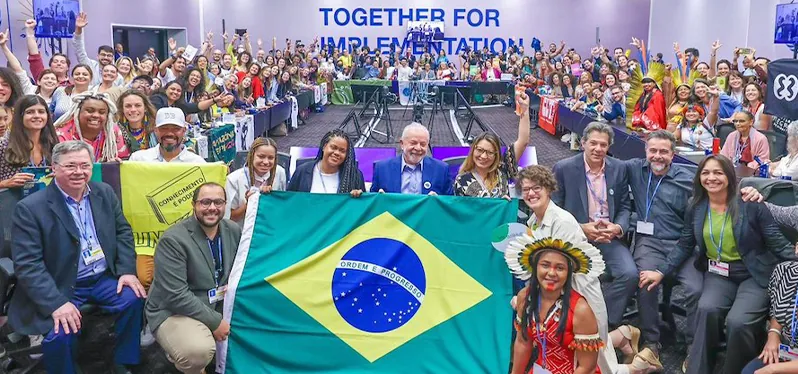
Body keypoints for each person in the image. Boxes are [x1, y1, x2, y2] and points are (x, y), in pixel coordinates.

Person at [639, 154, 795, 374]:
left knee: (738, 322)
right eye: (706, 173)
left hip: (753, 274)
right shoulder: (696, 206)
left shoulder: (750, 204)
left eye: (718, 172)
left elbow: (777, 242)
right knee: (706, 309)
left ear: (730, 177)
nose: (711, 178)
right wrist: (661, 272)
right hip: (718, 272)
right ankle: (698, 369)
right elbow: (685, 244)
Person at [10, 141, 145, 374]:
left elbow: (123, 231)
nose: (79, 172)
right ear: (54, 167)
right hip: (60, 283)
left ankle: (124, 360)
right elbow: (27, 265)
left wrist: (126, 271)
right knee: (60, 334)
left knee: (134, 298)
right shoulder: (30, 208)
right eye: (70, 166)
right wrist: (56, 303)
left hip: (101, 278)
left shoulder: (104, 192)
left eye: (85, 165)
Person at [509, 165, 657, 374]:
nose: (531, 193)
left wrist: (529, 297)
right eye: (526, 189)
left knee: (594, 362)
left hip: (577, 293)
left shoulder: (562, 221)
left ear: (549, 189)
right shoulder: (534, 220)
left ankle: (640, 367)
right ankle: (624, 336)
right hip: (555, 293)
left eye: (537, 187)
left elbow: (556, 271)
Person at [624, 130, 702, 368]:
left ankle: (693, 346)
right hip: (650, 242)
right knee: (646, 281)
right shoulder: (635, 170)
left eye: (663, 152)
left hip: (682, 244)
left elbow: (721, 191)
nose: (657, 156)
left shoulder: (689, 180)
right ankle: (652, 343)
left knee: (696, 289)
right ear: (645, 151)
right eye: (653, 151)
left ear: (673, 154)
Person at [145, 183, 241, 374]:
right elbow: (175, 295)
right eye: (205, 202)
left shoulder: (233, 230)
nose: (212, 208)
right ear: (193, 205)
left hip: (216, 302)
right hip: (172, 309)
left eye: (218, 202)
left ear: (225, 204)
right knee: (197, 352)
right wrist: (214, 322)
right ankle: (185, 356)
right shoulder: (173, 240)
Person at [551, 122, 635, 331]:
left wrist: (617, 227)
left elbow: (625, 205)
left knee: (630, 274)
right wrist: (580, 227)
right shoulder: (564, 168)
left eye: (603, 145)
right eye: (594, 144)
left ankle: (603, 321)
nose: (598, 149)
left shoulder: (618, 168)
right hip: (576, 237)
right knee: (568, 277)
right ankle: (585, 318)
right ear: (583, 144)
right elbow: (554, 210)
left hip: (609, 237)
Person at [454, 93, 530, 197]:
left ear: (496, 155)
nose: (483, 156)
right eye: (480, 150)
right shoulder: (461, 180)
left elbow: (523, 141)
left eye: (490, 152)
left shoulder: (503, 169)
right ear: (473, 150)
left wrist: (524, 109)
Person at [370, 123, 452, 195]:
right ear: (402, 144)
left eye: (423, 144)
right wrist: (379, 199)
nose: (418, 148)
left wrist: (438, 202)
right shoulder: (382, 169)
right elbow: (371, 201)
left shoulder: (441, 170)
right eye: (413, 143)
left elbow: (450, 203)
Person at [0, 95, 59, 189]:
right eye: (30, 112)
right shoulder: (4, 146)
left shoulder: (54, 145)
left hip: (46, 201)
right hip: (12, 201)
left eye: (41, 112)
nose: (37, 116)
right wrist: (5, 183)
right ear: (20, 116)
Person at [225, 137, 287, 226]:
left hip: (270, 228)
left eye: (270, 158)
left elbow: (281, 204)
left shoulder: (280, 172)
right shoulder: (233, 180)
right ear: (252, 155)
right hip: (243, 232)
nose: (266, 162)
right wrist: (249, 204)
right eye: (261, 156)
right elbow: (230, 217)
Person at [54, 92, 130, 161]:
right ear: (77, 112)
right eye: (90, 111)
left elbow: (123, 159)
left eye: (102, 112)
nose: (96, 115)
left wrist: (115, 164)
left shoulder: (113, 132)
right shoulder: (62, 134)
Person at [287, 129, 365, 195]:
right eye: (333, 147)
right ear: (324, 147)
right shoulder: (302, 171)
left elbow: (363, 206)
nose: (337, 153)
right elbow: (290, 200)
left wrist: (358, 197)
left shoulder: (355, 176)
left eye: (342, 151)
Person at [128, 107, 205, 163]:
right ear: (155, 130)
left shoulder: (197, 163)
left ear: (184, 131)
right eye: (164, 128)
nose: (169, 133)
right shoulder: (138, 160)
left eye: (176, 129)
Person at [72, 12, 123, 87]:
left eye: (109, 55)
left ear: (112, 58)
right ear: (97, 56)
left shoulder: (118, 77)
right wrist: (78, 29)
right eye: (103, 55)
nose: (105, 57)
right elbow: (79, 49)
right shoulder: (90, 65)